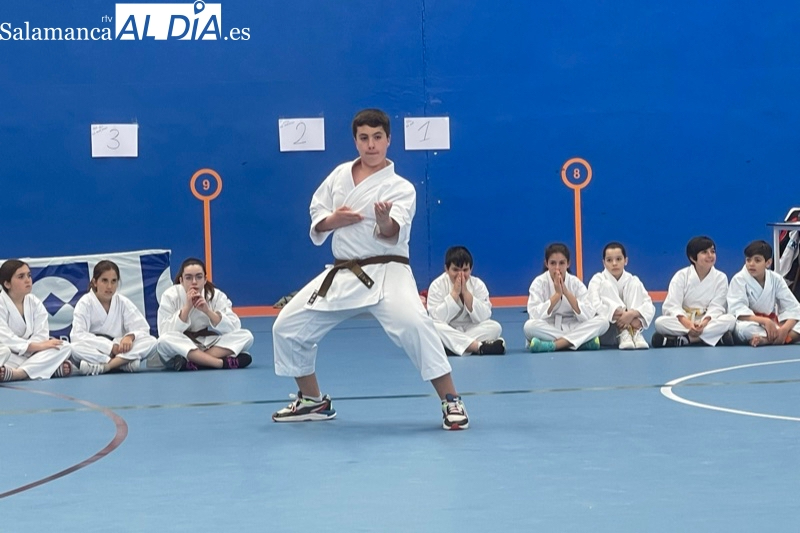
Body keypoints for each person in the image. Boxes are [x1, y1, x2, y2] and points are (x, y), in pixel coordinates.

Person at [271, 108, 469, 430]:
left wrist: (383, 222)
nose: (371, 145)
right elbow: (318, 211)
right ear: (356, 140)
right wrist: (334, 220)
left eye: (378, 137)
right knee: (287, 325)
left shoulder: (402, 187)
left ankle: (451, 400)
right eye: (364, 138)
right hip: (343, 272)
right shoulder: (339, 175)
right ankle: (312, 400)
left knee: (416, 324)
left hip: (388, 271)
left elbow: (395, 231)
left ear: (389, 140)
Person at [157, 258, 253, 370]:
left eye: (198, 277)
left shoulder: (215, 295)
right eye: (188, 278)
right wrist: (187, 308)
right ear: (181, 280)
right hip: (183, 343)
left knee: (246, 336)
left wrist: (208, 311)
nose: (194, 282)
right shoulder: (170, 295)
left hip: (207, 343)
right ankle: (219, 363)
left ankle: (196, 361)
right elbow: (164, 331)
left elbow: (234, 327)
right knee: (164, 341)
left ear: (205, 279)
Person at [71, 260, 158, 375]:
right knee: (73, 348)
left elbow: (142, 328)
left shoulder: (122, 302)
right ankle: (122, 364)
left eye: (114, 281)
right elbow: (77, 335)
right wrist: (110, 347)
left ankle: (107, 366)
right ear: (95, 282)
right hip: (97, 350)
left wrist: (130, 337)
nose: (109, 286)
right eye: (104, 281)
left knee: (152, 342)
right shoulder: (85, 303)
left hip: (120, 350)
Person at [652, 236, 736, 347]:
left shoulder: (721, 277)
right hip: (685, 321)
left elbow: (718, 306)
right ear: (692, 258)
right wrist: (687, 324)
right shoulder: (681, 276)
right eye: (704, 252)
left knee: (730, 320)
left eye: (712, 251)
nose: (710, 255)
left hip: (707, 321)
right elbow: (672, 305)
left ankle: (687, 339)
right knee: (660, 323)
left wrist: (704, 322)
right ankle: (714, 338)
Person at [524, 243, 608, 352]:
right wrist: (557, 295)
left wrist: (566, 292)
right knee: (529, 326)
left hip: (573, 325)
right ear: (546, 264)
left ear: (568, 264)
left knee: (603, 321)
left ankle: (554, 345)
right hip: (549, 326)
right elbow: (534, 314)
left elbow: (588, 314)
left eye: (561, 263)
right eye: (553, 263)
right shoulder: (538, 283)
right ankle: (580, 342)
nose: (557, 268)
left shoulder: (575, 283)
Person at [0, 259, 72, 381]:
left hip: (29, 353)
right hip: (10, 352)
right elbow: (5, 338)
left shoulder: (34, 302)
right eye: (21, 277)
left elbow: (41, 334)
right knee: (4, 351)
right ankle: (46, 368)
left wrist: (35, 348)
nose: (27, 280)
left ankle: (18, 373)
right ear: (7, 284)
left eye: (29, 275)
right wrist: (34, 347)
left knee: (64, 346)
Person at [426, 245, 505, 356]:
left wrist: (466, 294)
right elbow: (437, 318)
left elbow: (485, 316)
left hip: (470, 328)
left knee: (495, 327)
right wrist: (454, 294)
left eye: (465, 270)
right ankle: (478, 347)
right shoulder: (437, 285)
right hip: (447, 328)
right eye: (455, 270)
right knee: (432, 326)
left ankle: (452, 347)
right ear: (446, 269)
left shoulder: (478, 285)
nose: (461, 274)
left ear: (471, 269)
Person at [727, 240, 800, 346]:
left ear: (768, 263)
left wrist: (785, 328)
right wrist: (764, 321)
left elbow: (793, 308)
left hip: (772, 324)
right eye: (748, 260)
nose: (751, 264)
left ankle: (767, 339)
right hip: (751, 322)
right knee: (745, 329)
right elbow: (737, 311)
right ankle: (784, 339)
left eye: (757, 260)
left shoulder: (776, 279)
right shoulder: (739, 279)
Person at [587, 242, 655, 349]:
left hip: (633, 327)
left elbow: (649, 306)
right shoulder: (597, 280)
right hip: (607, 331)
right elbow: (593, 306)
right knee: (606, 285)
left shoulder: (632, 280)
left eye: (618, 259)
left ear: (626, 261)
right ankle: (624, 330)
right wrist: (621, 315)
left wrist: (632, 314)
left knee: (635, 284)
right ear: (603, 262)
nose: (614, 263)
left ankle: (635, 332)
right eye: (609, 260)